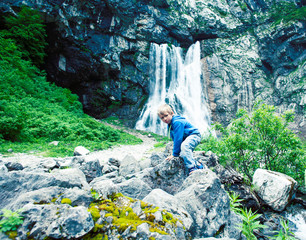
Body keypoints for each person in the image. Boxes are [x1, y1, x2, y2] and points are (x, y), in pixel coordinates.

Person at [157, 103, 203, 175]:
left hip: (194, 135)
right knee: (182, 154)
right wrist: (176, 152)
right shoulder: (170, 124)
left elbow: (178, 139)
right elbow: (174, 137)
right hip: (187, 138)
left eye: (166, 115)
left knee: (185, 146)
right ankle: (198, 165)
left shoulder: (177, 122)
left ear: (172, 113)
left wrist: (174, 154)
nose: (165, 119)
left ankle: (192, 167)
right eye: (162, 118)